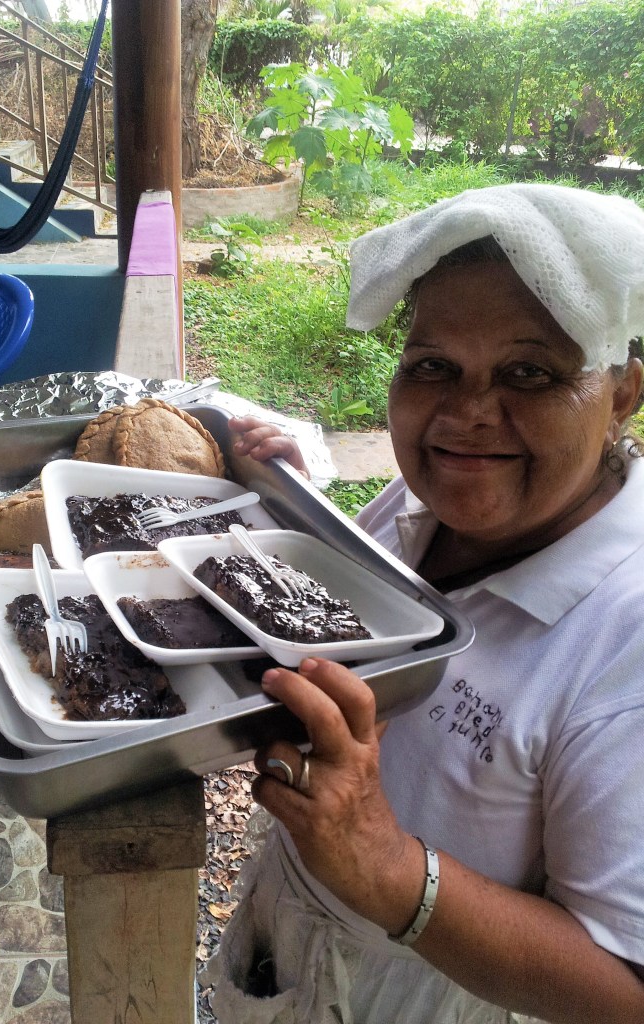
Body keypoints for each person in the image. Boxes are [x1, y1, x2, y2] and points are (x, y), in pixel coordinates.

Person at [204, 183, 644, 1024]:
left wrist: (388, 867)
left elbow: (626, 991)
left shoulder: (626, 641)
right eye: (433, 366)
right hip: (294, 943)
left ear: (622, 393)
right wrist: (295, 510)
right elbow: (347, 628)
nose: (468, 414)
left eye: (530, 372)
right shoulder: (418, 510)